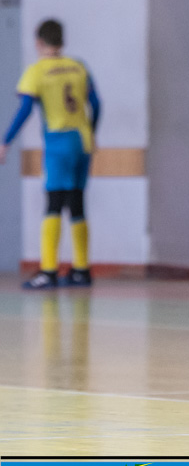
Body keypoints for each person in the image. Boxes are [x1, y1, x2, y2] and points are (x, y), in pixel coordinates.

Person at [0, 19, 100, 289]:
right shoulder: (79, 66)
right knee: (77, 202)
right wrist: (91, 131)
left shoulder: (37, 71)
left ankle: (48, 270)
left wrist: (5, 141)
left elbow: (25, 109)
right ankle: (82, 269)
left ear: (39, 42)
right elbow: (96, 103)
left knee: (54, 202)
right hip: (83, 140)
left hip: (58, 141)